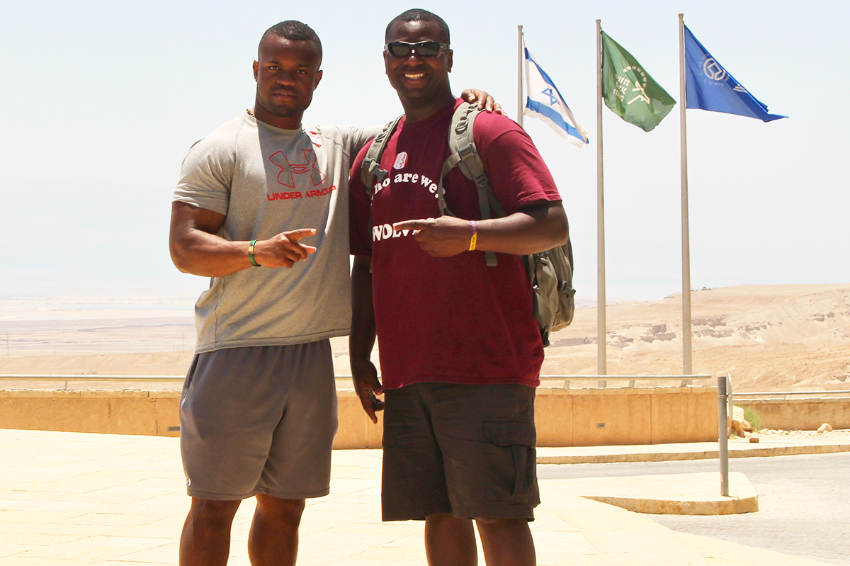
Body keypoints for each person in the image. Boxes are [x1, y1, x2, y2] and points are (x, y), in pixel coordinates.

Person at [169, 20, 498, 566]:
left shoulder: (338, 144)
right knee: (213, 505)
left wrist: (469, 101)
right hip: (235, 351)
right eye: (274, 68)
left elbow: (413, 127)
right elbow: (184, 248)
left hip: (309, 356)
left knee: (286, 507)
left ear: (317, 79)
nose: (285, 79)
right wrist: (256, 251)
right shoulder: (219, 148)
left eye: (300, 71)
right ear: (255, 69)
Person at [348, 9, 569, 566]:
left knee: (499, 514)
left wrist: (469, 236)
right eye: (401, 50)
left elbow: (551, 223)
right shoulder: (372, 157)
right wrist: (357, 354)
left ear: (449, 58)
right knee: (439, 513)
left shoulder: (489, 132)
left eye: (427, 49)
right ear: (385, 62)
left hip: (487, 368)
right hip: (407, 374)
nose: (413, 60)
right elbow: (367, 263)